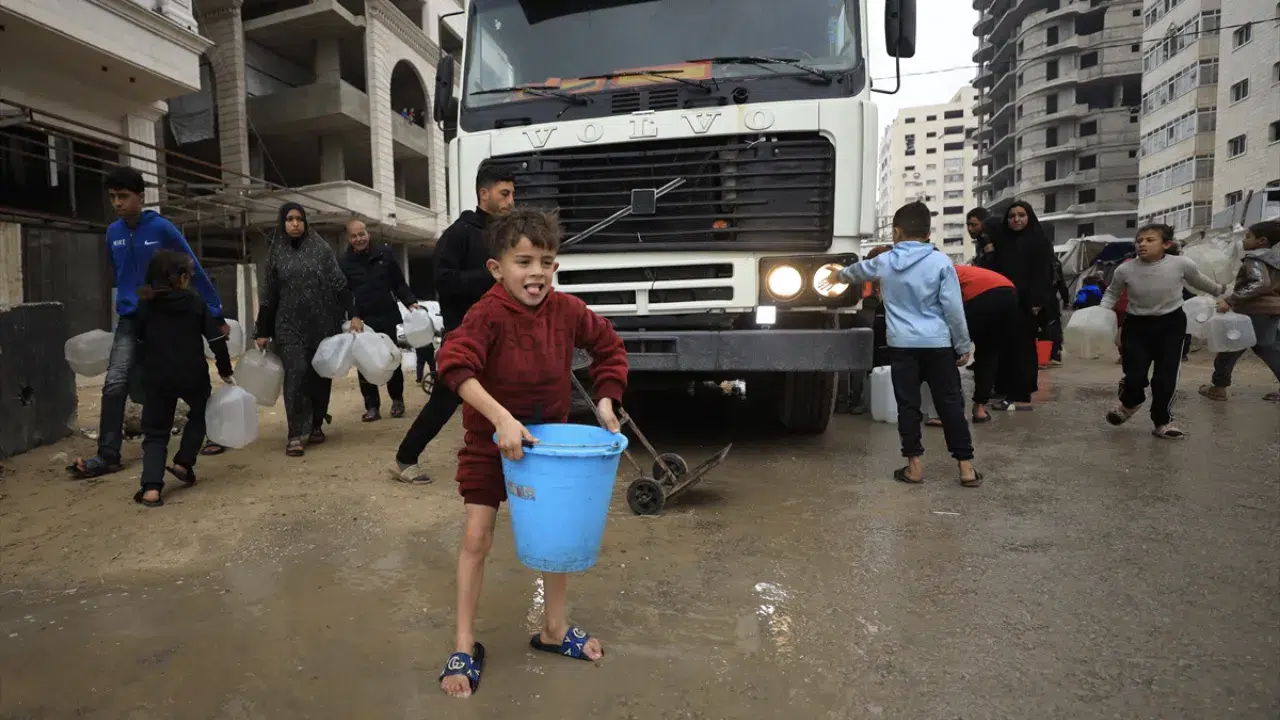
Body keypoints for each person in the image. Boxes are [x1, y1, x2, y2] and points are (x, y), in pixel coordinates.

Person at [434, 207, 628, 697]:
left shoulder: (567, 312)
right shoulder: (486, 313)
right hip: (489, 445)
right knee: (477, 538)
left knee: (556, 540)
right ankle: (463, 642)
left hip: (549, 449)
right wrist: (500, 419)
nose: (536, 272)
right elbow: (454, 365)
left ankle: (554, 630)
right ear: (497, 269)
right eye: (523, 261)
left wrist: (607, 396)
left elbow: (609, 347)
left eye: (546, 261)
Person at [68, 166, 226, 480]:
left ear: (140, 196)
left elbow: (191, 265)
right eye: (112, 197)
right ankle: (107, 455)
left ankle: (210, 436)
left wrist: (215, 310)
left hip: (167, 318)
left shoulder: (162, 229)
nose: (117, 203)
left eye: (123, 196)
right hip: (130, 319)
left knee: (189, 378)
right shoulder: (112, 233)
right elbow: (120, 276)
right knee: (114, 384)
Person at [823, 202, 981, 487]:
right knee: (950, 405)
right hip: (938, 345)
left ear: (897, 232)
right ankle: (966, 468)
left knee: (908, 406)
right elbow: (954, 310)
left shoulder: (886, 261)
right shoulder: (941, 262)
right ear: (927, 232)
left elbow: (856, 271)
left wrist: (836, 275)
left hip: (902, 346)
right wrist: (963, 345)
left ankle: (914, 467)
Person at [392, 166, 515, 484]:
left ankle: (504, 460)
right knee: (445, 401)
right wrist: (491, 275)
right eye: (505, 194)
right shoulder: (458, 234)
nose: (511, 201)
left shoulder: (504, 235)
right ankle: (405, 459)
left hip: (499, 333)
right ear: (483, 194)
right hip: (463, 335)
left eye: (513, 194)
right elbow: (444, 282)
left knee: (505, 395)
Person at [254, 203, 363, 457]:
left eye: (299, 219)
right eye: (290, 219)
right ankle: (295, 433)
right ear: (283, 223)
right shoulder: (275, 253)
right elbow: (268, 296)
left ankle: (315, 424)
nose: (295, 224)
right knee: (297, 372)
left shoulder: (320, 249)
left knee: (319, 375)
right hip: (288, 326)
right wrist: (262, 330)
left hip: (322, 324)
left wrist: (354, 314)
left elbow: (340, 285)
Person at [130, 251, 234, 507]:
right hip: (192, 374)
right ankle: (183, 463)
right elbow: (216, 339)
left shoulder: (146, 304)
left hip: (157, 376)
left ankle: (151, 489)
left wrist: (143, 371)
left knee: (155, 432)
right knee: (201, 414)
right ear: (184, 277)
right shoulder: (194, 302)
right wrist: (223, 367)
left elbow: (138, 340)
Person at [1101, 224, 1224, 439]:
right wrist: (1101, 312)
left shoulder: (1181, 264)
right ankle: (1130, 403)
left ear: (1166, 244)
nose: (1142, 244)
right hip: (1136, 326)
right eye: (1139, 240)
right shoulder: (1125, 269)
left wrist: (1221, 294)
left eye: (1150, 240)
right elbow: (1112, 293)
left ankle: (1162, 421)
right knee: (1134, 375)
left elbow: (1200, 281)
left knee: (1165, 378)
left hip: (1170, 325)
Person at [339, 218, 419, 421]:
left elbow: (399, 283)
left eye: (362, 234)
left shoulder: (385, 254)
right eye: (354, 236)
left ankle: (397, 400)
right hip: (362, 321)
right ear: (349, 238)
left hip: (387, 315)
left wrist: (411, 303)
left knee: (391, 359)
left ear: (368, 233)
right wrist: (354, 316)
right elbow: (345, 294)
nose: (359, 239)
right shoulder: (344, 262)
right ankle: (372, 406)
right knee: (365, 363)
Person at [1199, 220, 1280, 402]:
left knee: (1230, 348)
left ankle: (1218, 388)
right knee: (1269, 349)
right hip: (1272, 311)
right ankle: (1219, 386)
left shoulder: (1256, 259)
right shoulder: (1275, 260)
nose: (1243, 240)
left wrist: (1230, 300)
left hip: (1253, 312)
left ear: (1262, 241)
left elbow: (1260, 283)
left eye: (1248, 236)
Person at [989, 201, 1055, 410]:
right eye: (1012, 216)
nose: (1016, 220)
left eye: (1021, 215)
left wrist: (1037, 302)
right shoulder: (1002, 242)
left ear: (1029, 217)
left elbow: (1043, 274)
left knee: (1023, 349)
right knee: (1005, 347)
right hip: (1003, 301)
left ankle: (1021, 394)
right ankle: (1005, 389)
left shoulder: (1038, 241)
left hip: (1027, 303)